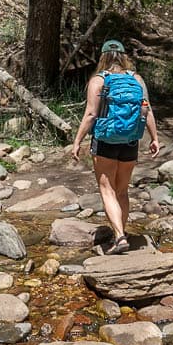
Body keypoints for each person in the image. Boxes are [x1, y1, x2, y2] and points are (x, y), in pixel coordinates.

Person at [71, 39, 160, 253]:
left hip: (105, 141)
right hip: (130, 141)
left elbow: (91, 114)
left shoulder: (99, 81)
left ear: (102, 57)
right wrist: (155, 138)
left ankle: (119, 236)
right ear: (124, 57)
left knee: (107, 189)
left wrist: (77, 141)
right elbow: (146, 109)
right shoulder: (136, 79)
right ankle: (123, 231)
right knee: (122, 191)